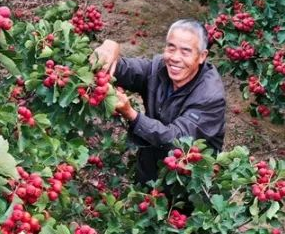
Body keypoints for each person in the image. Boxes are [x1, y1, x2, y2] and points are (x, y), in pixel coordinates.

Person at [91, 18, 226, 185]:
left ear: (202, 56)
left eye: (185, 51)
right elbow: (125, 70)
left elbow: (177, 140)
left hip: (190, 184)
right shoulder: (158, 68)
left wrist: (132, 115)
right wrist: (109, 48)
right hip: (151, 174)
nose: (175, 58)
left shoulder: (210, 96)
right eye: (171, 48)